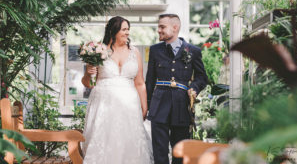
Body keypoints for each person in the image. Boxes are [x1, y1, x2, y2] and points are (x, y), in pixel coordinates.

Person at [81, 16, 153, 164]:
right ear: (114, 31)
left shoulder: (135, 53)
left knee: (129, 143)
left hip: (130, 106)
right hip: (104, 105)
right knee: (104, 142)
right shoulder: (98, 51)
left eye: (128, 30)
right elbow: (87, 83)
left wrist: (144, 107)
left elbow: (140, 83)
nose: (127, 33)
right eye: (124, 30)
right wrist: (88, 73)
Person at [146, 14, 208, 164]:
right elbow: (150, 80)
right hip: (159, 105)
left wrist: (193, 88)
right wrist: (147, 105)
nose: (158, 30)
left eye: (162, 27)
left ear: (175, 27)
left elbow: (202, 78)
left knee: (180, 150)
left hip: (181, 105)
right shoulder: (155, 50)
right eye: (158, 26)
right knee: (159, 150)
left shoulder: (193, 50)